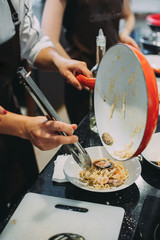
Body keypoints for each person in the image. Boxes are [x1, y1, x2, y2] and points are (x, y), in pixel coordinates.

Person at [0, 0, 92, 220]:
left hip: (8, 115)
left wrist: (59, 60)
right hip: (11, 122)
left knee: (20, 210)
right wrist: (22, 125)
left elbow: (32, 43)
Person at [42, 0, 140, 124]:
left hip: (114, 74)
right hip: (82, 80)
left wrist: (123, 33)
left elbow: (128, 16)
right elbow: (49, 39)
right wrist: (71, 67)